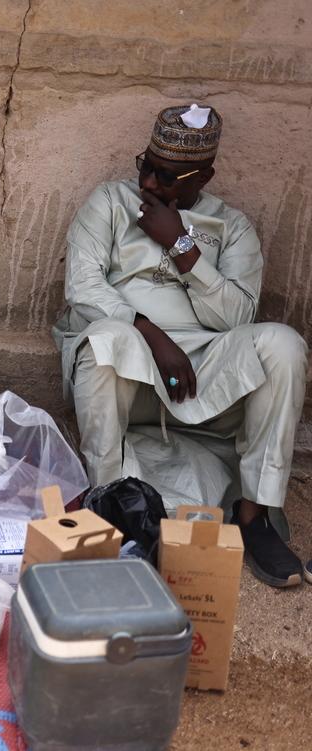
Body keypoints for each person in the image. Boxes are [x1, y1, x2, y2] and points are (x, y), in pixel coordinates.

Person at [53, 104, 309, 588]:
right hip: (130, 366)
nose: (150, 184)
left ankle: (254, 519)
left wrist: (183, 248)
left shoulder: (232, 228)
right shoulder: (109, 203)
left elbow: (238, 319)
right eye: (146, 166)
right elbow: (83, 289)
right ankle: (110, 507)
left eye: (167, 176)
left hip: (204, 379)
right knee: (108, 338)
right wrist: (153, 335)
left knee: (284, 345)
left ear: (204, 177)